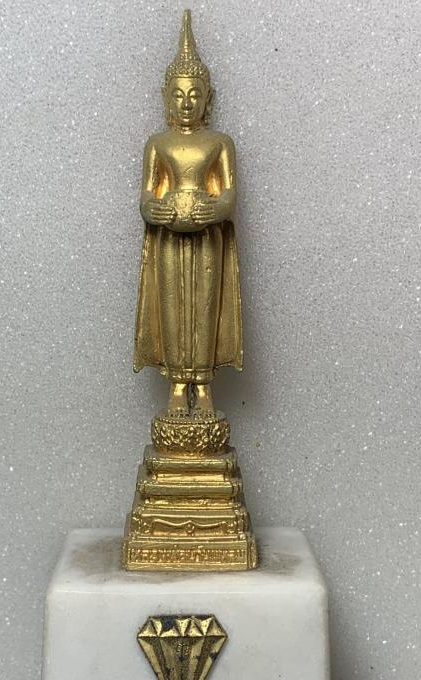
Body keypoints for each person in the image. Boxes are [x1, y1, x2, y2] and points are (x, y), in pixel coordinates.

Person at [133, 10, 243, 415]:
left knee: (205, 307)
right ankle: (178, 385)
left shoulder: (220, 143)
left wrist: (214, 209)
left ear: (207, 98)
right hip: (169, 237)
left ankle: (205, 384)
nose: (186, 103)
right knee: (173, 308)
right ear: (166, 96)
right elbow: (146, 197)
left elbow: (229, 196)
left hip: (207, 236)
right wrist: (156, 210)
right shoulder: (157, 143)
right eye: (178, 95)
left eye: (194, 95)